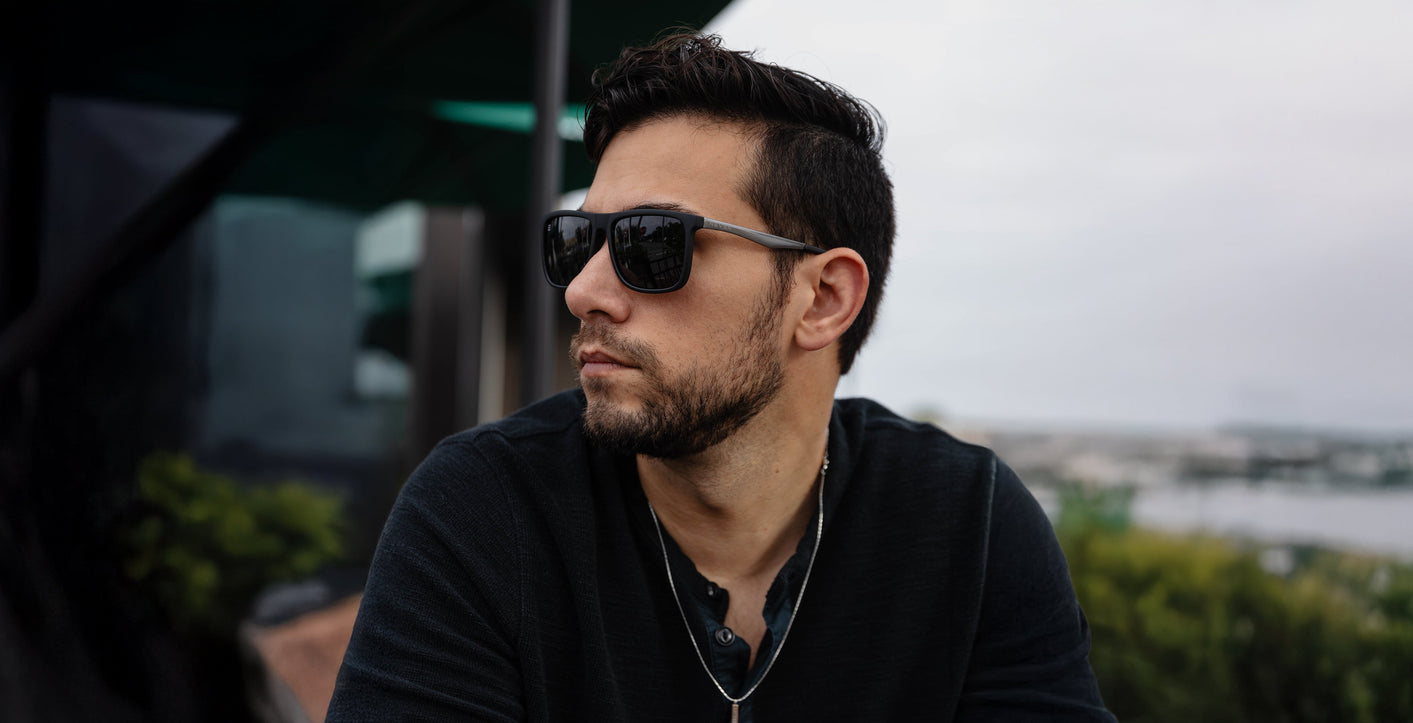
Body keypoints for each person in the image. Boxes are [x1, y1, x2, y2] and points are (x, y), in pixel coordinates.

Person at [327, 33, 1115, 722]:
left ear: (822, 299)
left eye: (650, 242)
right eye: (577, 241)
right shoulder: (488, 508)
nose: (582, 291)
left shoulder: (963, 523)